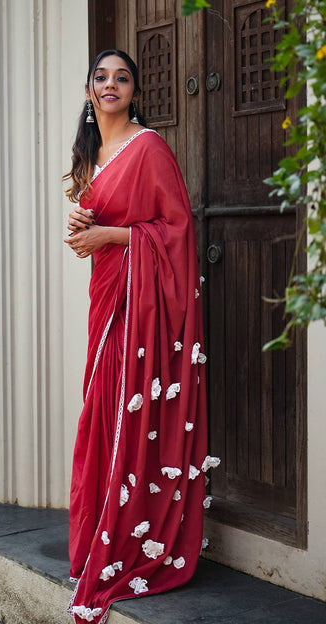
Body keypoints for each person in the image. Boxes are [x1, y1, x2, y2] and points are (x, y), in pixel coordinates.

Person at [63, 49, 219, 624]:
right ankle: (101, 530)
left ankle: (132, 538)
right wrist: (87, 228)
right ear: (88, 91)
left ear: (134, 91)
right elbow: (106, 232)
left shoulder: (149, 147)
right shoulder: (91, 156)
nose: (111, 85)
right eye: (101, 78)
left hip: (142, 310)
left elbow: (174, 231)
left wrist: (107, 232)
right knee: (98, 415)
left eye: (121, 78)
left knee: (127, 414)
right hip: (107, 301)